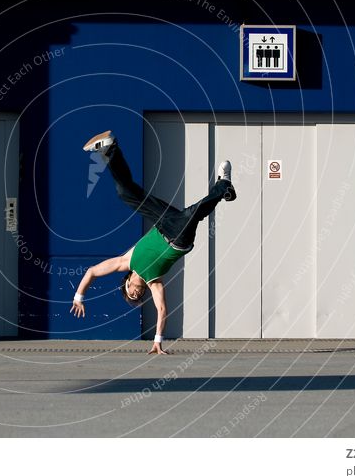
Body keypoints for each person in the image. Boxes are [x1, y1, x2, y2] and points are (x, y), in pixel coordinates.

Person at [70, 130, 236, 355]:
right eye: (137, 297)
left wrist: (79, 296)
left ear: (127, 283)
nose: (136, 295)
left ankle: (110, 149)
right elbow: (162, 309)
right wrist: (158, 340)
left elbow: (92, 272)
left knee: (125, 192)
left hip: (162, 222)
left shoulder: (126, 261)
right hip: (179, 239)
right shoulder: (154, 282)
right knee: (194, 213)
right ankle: (223, 185)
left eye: (131, 294)